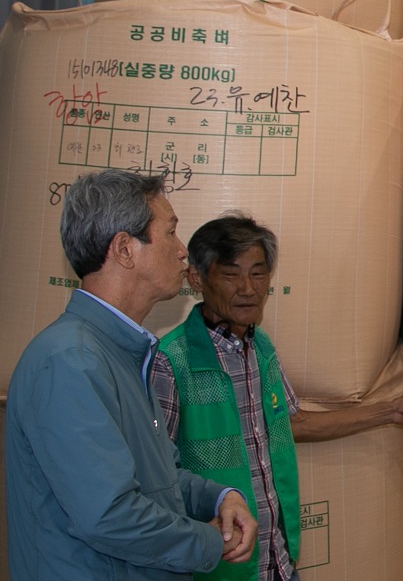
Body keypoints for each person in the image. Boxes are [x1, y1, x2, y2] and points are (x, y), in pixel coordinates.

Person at [150, 213, 403, 581]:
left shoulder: (260, 348)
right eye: (231, 274)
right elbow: (157, 473)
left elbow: (293, 422)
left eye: (258, 273)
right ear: (197, 279)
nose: (248, 289)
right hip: (217, 569)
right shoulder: (171, 361)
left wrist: (391, 411)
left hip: (276, 562)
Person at [5, 170, 258, 580]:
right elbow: (109, 514)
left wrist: (219, 497)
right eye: (171, 233)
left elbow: (158, 477)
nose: (182, 252)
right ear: (125, 249)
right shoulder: (70, 362)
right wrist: (210, 541)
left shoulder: (121, 352)